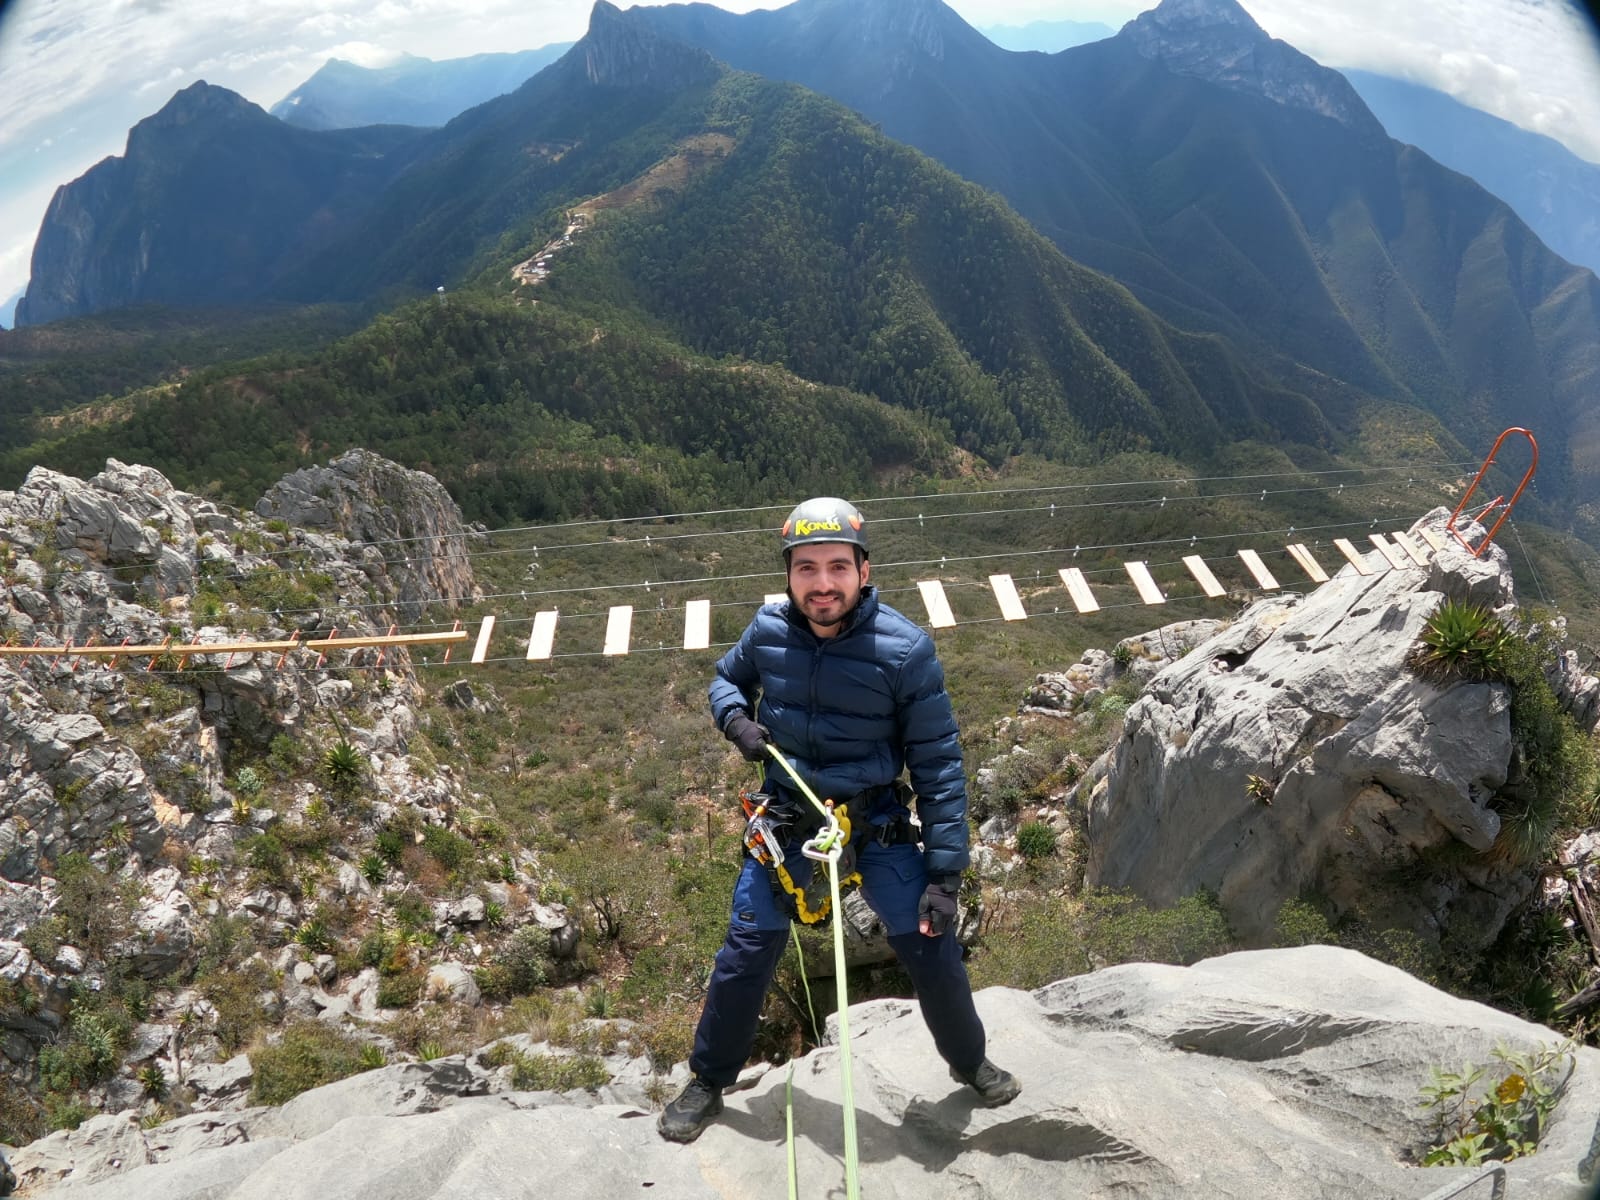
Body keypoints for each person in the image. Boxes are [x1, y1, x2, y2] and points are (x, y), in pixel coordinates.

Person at [658, 496, 1020, 1143]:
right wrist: (735, 719)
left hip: (873, 822)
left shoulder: (904, 651)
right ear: (789, 575)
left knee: (931, 946)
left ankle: (970, 1063)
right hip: (789, 821)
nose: (821, 583)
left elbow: (938, 766)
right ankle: (710, 1079)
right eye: (806, 568)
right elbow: (725, 681)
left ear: (863, 571)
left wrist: (945, 876)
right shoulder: (768, 630)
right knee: (746, 953)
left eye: (835, 567)